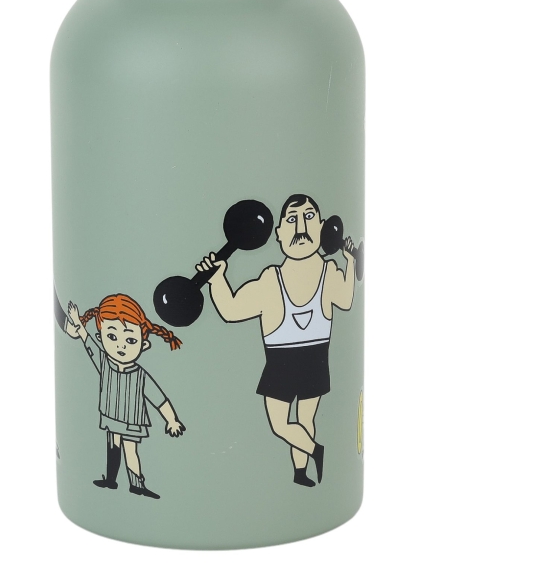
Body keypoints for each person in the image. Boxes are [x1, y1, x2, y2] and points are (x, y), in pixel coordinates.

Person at [196, 194, 357, 487]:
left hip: (312, 359)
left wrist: (350, 262)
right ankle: (314, 451)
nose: (300, 227)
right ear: (279, 234)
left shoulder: (328, 272)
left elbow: (346, 300)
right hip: (284, 362)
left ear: (321, 228)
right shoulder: (272, 280)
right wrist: (217, 279)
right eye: (292, 219)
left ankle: (300, 473)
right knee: (282, 424)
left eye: (309, 217)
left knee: (301, 421)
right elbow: (231, 310)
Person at [64, 293, 185, 499]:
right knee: (113, 447)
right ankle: (111, 480)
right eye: (112, 337)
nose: (121, 346)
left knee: (130, 450)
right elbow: (88, 343)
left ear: (144, 345)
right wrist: (78, 323)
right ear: (101, 337)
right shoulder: (104, 363)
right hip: (111, 415)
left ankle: (137, 484)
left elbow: (159, 398)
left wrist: (171, 420)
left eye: (130, 340)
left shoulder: (140, 375)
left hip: (132, 420)